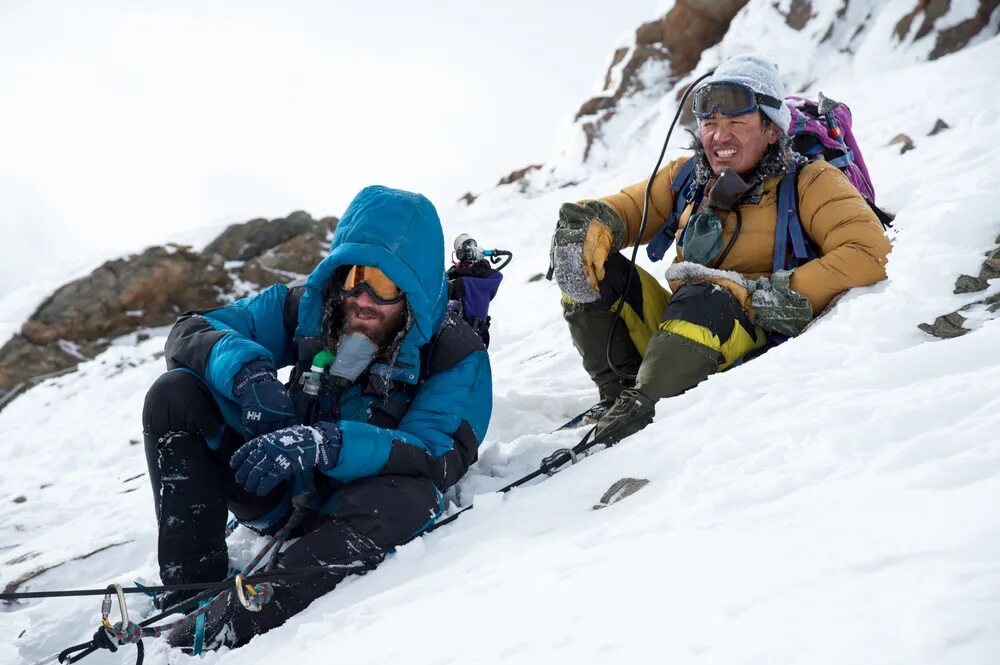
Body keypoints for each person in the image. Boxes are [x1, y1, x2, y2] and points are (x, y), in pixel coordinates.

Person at [142, 185, 492, 650]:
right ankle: (191, 589)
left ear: (415, 290)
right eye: (354, 276)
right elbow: (192, 331)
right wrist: (247, 374)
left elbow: (437, 456)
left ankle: (248, 610)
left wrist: (329, 444)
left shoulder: (456, 354)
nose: (363, 297)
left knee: (413, 496)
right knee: (175, 394)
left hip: (357, 514)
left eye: (385, 285)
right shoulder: (310, 304)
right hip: (276, 483)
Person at [549, 54, 891, 444]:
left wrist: (766, 297)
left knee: (704, 297)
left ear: (772, 130)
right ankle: (621, 395)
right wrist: (589, 225)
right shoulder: (686, 177)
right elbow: (625, 210)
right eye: (710, 123)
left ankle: (643, 411)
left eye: (737, 122)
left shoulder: (810, 180)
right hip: (680, 336)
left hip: (751, 337)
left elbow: (869, 252)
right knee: (587, 260)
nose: (719, 135)